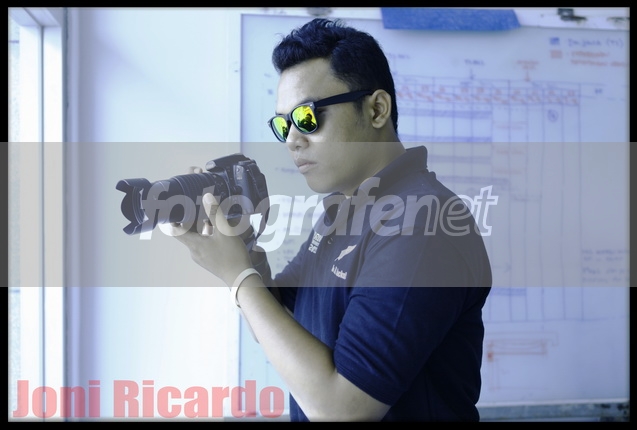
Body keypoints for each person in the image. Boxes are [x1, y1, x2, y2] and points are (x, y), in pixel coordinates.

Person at [171, 18, 492, 422]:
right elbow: (278, 320)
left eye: (307, 117)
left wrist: (238, 277)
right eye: (283, 125)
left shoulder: (423, 223)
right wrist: (242, 247)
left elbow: (345, 408)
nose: (292, 140)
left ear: (376, 109)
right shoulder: (343, 213)